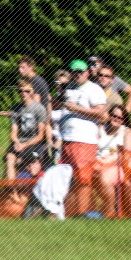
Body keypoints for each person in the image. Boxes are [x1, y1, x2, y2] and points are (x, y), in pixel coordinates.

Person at [53, 59, 107, 218]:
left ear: (87, 73)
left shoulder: (93, 89)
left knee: (83, 178)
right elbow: (54, 106)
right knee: (67, 177)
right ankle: (68, 213)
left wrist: (76, 108)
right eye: (74, 72)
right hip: (66, 139)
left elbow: (100, 112)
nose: (77, 74)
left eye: (80, 72)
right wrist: (60, 94)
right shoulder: (68, 88)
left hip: (84, 140)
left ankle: (83, 213)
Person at [95, 106, 131, 218]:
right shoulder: (100, 129)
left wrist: (108, 160)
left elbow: (127, 155)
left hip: (118, 165)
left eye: (120, 118)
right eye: (114, 116)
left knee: (104, 177)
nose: (116, 119)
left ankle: (110, 210)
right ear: (109, 116)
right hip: (97, 163)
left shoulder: (126, 132)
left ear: (124, 120)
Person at [5, 81, 51, 180]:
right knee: (10, 158)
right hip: (20, 142)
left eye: (27, 91)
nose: (23, 93)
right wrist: (17, 142)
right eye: (20, 91)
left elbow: (40, 136)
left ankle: (28, 185)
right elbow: (13, 133)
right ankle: (11, 187)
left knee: (27, 163)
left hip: (34, 143)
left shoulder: (39, 109)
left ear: (32, 92)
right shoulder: (15, 108)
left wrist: (24, 145)